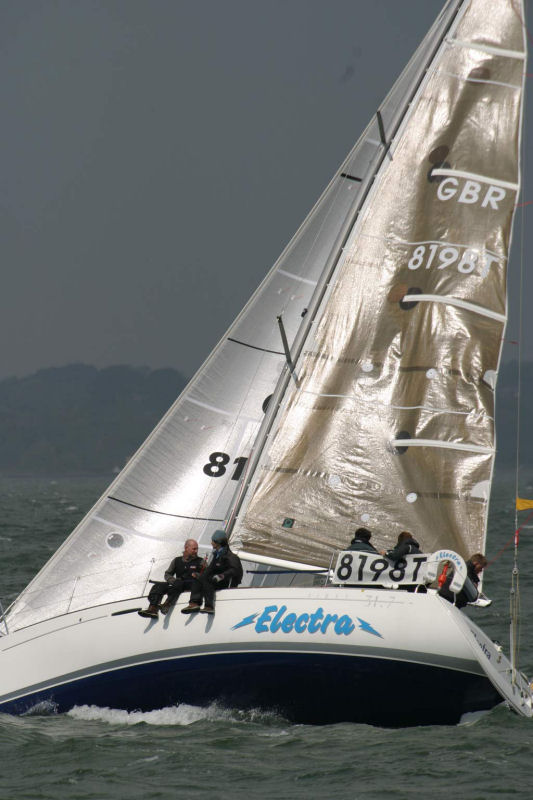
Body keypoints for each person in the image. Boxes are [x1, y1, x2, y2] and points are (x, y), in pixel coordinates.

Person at [138, 538, 204, 619]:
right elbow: (167, 574)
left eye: (197, 549)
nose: (196, 551)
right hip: (177, 585)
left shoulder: (201, 561)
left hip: (191, 586)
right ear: (186, 548)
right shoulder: (177, 560)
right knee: (158, 586)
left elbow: (207, 575)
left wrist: (198, 575)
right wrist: (173, 581)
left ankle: (167, 604)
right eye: (194, 549)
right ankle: (152, 608)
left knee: (179, 583)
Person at [181, 530, 243, 615]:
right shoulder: (217, 555)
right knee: (199, 579)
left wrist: (221, 576)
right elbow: (210, 569)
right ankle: (194, 603)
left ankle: (209, 606)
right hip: (214, 580)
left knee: (208, 581)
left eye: (212, 541)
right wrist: (200, 576)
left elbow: (234, 570)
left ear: (218, 542)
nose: (211, 542)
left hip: (223, 582)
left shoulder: (230, 556)